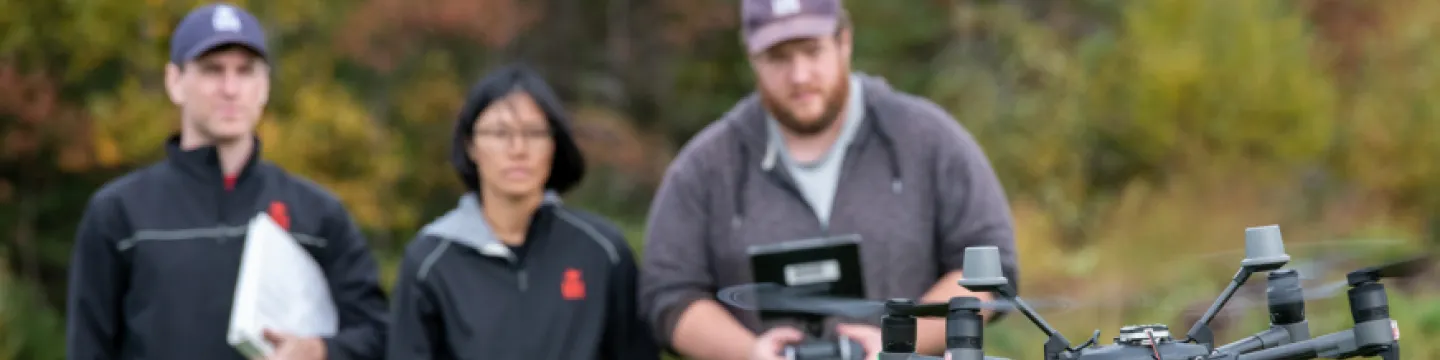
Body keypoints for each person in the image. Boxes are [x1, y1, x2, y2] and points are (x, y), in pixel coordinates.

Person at [637, 0, 1021, 358]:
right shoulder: (704, 168)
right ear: (753, 59)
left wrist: (900, 343)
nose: (800, 75)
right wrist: (751, 353)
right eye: (778, 57)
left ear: (844, 42)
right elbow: (668, 294)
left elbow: (989, 270)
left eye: (812, 50)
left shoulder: (927, 139)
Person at [64, 3, 389, 360]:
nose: (230, 89)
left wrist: (320, 350)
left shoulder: (318, 214)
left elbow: (379, 334)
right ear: (175, 82)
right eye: (212, 71)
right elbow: (88, 347)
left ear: (264, 86)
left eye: (245, 71)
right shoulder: (119, 213)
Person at [385, 64, 660, 360]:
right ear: (471, 147)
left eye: (534, 133)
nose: (518, 149)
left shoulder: (603, 251)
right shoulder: (429, 262)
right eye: (500, 133)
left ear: (554, 145)